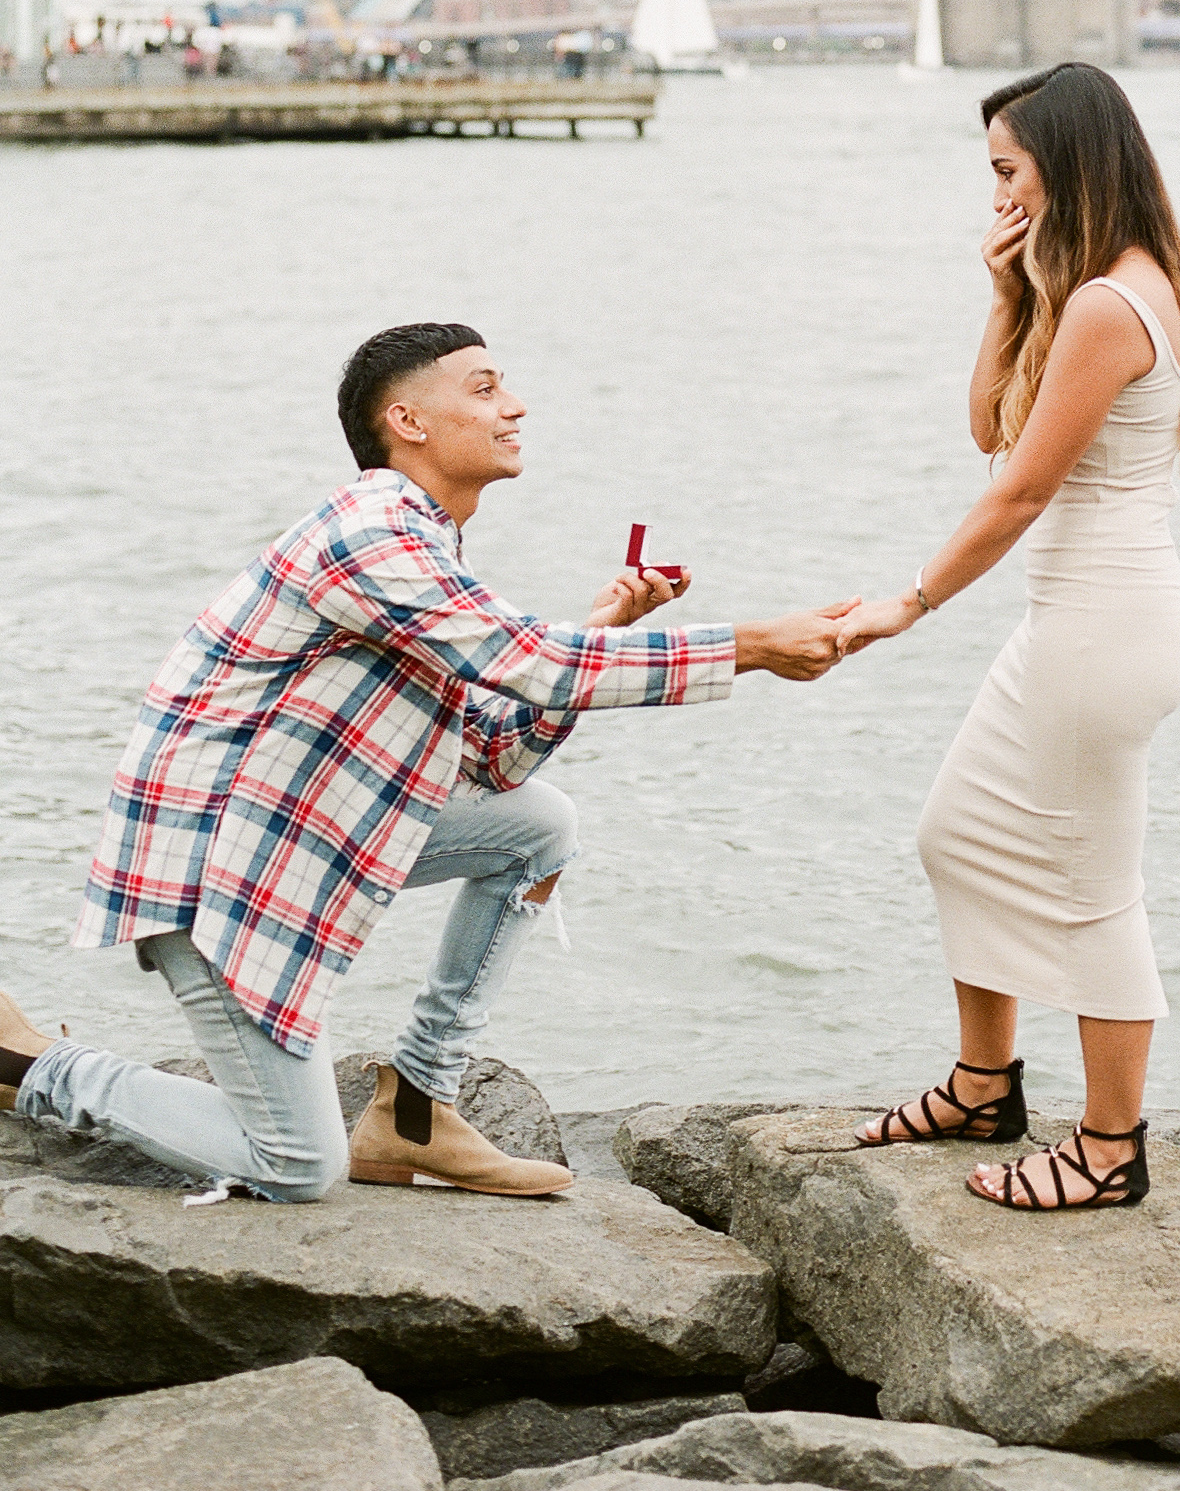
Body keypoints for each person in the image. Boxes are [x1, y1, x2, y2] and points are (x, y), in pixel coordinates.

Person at [0, 322, 847, 1203]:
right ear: (407, 420)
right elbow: (532, 660)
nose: (513, 404)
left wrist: (601, 635)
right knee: (295, 1166)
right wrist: (746, 645)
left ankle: (416, 1107)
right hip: (216, 868)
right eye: (483, 389)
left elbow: (497, 755)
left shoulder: (424, 548)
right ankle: (30, 1065)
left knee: (538, 828)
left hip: (285, 841)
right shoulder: (371, 532)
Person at [836, 64, 1180, 1212]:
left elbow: (1017, 493)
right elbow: (989, 430)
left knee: (1094, 889)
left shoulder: (1112, 303)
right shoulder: (1092, 287)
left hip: (1101, 629)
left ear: (1066, 159)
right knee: (956, 834)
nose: (998, 192)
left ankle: (1109, 1150)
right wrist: (1006, 295)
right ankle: (982, 1083)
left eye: (1007, 169)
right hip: (1077, 624)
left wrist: (908, 600)